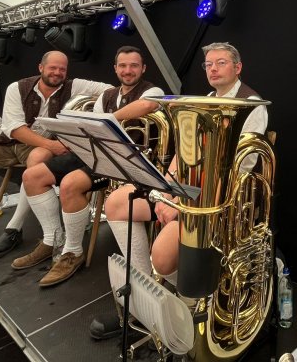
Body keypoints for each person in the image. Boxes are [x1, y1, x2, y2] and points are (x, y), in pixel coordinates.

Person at [90, 42, 267, 339]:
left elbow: (239, 169)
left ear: (238, 68)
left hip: (220, 196)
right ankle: (146, 296)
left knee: (162, 256)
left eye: (220, 63)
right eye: (208, 64)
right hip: (190, 188)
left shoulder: (253, 105)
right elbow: (183, 153)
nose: (212, 69)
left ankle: (188, 306)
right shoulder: (206, 99)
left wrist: (179, 201)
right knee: (117, 203)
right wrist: (166, 190)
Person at [0, 51, 112, 257]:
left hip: (40, 148)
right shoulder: (17, 87)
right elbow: (14, 129)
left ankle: (14, 227)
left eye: (62, 69)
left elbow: (110, 90)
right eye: (52, 68)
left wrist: (90, 117)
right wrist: (52, 144)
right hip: (11, 142)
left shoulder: (74, 86)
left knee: (37, 162)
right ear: (41, 67)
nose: (57, 73)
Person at [15, 46, 164, 287]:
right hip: (96, 153)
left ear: (143, 68)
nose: (128, 71)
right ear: (115, 68)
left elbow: (146, 106)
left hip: (128, 161)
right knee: (33, 176)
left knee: (70, 184)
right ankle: (53, 239)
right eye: (122, 66)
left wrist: (108, 119)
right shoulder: (107, 95)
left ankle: (72, 251)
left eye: (134, 66)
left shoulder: (152, 90)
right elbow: (90, 126)